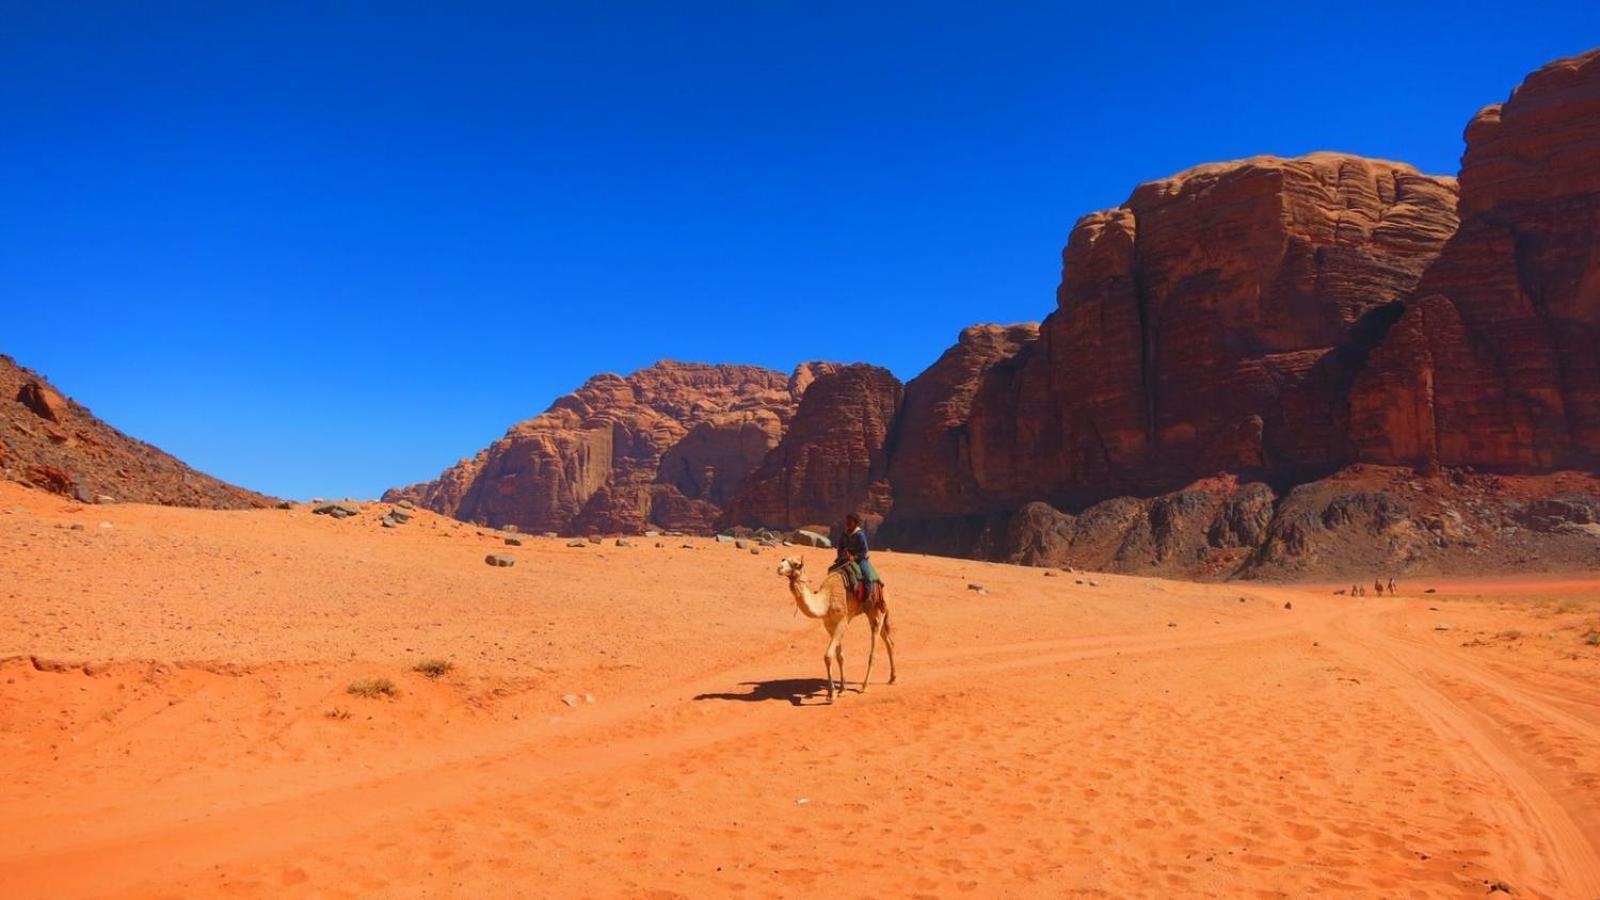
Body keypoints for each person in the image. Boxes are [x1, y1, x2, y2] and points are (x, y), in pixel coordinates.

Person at [831, 512, 882, 608]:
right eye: (847, 521)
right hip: (845, 558)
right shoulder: (844, 534)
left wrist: (854, 557)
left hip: (859, 559)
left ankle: (868, 598)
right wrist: (842, 554)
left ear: (855, 523)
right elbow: (840, 547)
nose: (847, 523)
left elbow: (864, 550)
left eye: (850, 521)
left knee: (867, 575)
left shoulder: (860, 535)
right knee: (831, 570)